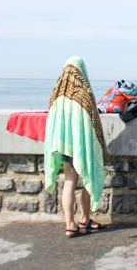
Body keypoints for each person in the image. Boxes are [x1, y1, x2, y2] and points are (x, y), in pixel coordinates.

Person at [43, 56, 109, 238]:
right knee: (87, 179)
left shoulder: (57, 95)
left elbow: (52, 124)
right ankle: (84, 219)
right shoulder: (83, 94)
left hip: (62, 146)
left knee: (69, 182)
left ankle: (69, 224)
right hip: (81, 147)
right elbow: (93, 124)